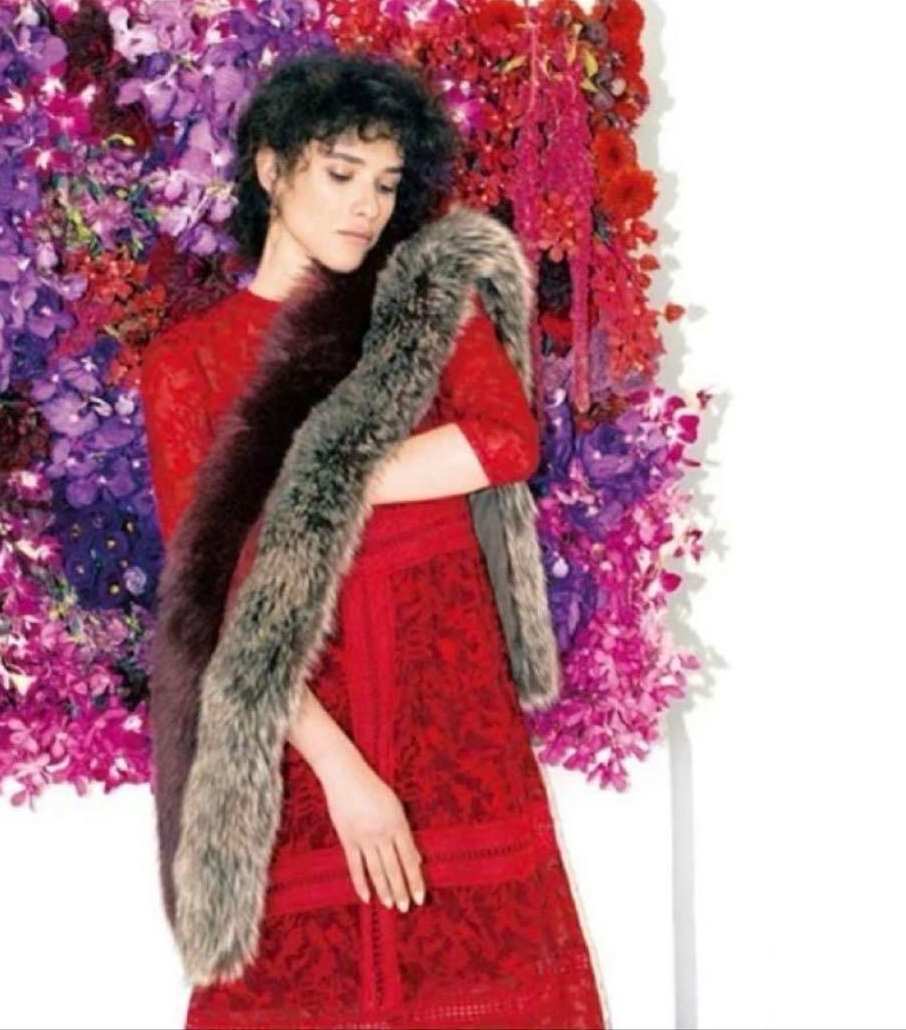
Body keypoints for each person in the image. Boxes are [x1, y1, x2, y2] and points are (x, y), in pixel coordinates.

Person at [139, 50, 607, 1029]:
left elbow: (505, 441)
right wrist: (343, 773)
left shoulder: (423, 315)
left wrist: (329, 473)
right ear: (272, 169)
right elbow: (214, 604)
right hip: (305, 734)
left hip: (449, 715)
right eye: (342, 173)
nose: (367, 206)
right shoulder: (188, 365)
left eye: (387, 184)